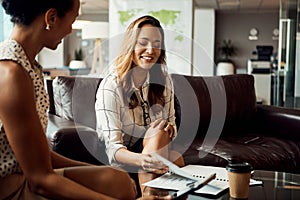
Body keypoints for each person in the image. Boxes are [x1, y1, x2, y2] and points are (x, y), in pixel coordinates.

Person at [0, 0, 137, 199]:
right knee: (118, 189)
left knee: (117, 179)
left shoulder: (28, 65)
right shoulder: (10, 73)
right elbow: (40, 180)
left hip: (27, 177)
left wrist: (104, 170)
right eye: (72, 21)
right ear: (51, 18)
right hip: (10, 188)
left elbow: (41, 159)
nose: (71, 30)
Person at [95, 15, 184, 196]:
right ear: (131, 45)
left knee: (160, 132)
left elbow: (173, 124)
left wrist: (169, 128)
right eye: (143, 42)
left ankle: (149, 195)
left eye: (157, 44)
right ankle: (149, 194)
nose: (151, 50)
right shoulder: (111, 85)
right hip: (125, 157)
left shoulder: (164, 80)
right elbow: (113, 149)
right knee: (177, 160)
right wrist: (145, 160)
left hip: (155, 148)